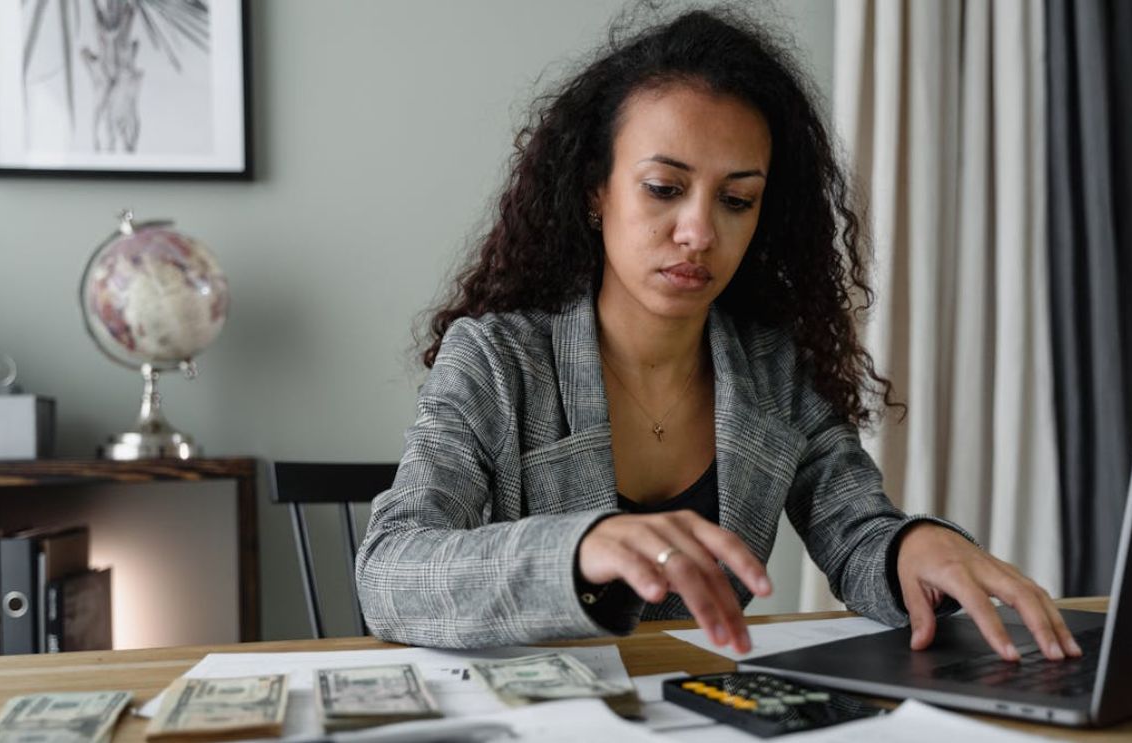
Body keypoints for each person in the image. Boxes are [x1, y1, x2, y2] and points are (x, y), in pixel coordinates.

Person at [355, 7, 1079, 663]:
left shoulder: (769, 367)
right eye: (664, 189)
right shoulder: (497, 359)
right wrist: (579, 548)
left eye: (737, 199)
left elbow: (856, 532)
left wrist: (914, 545)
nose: (699, 231)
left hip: (706, 711)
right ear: (594, 191)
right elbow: (389, 569)